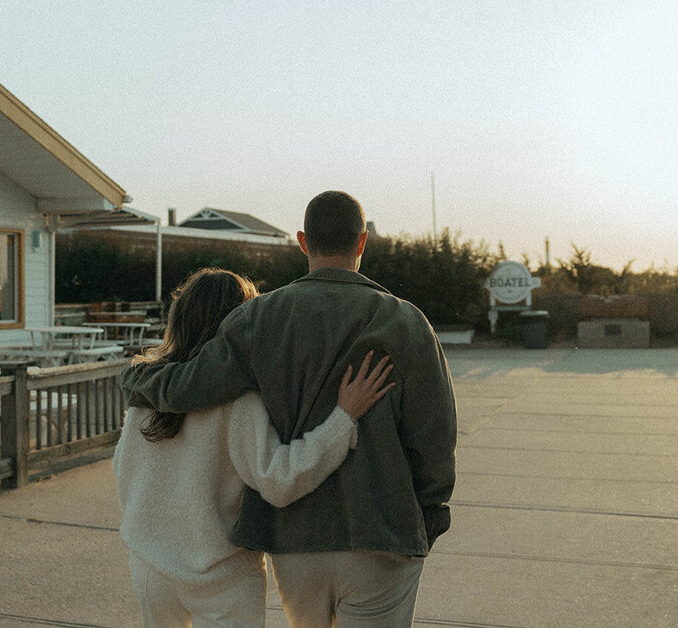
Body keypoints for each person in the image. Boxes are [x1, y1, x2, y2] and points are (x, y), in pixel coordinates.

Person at [120, 191, 458, 627]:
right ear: (362, 242)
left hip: (296, 541)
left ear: (302, 241)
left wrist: (134, 377)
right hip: (383, 534)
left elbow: (188, 385)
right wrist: (430, 518)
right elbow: (435, 437)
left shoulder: (256, 319)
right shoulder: (407, 322)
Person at [113, 267, 395, 628]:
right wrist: (342, 419)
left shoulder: (147, 390)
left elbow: (124, 472)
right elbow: (279, 479)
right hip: (220, 575)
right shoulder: (238, 399)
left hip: (149, 564)